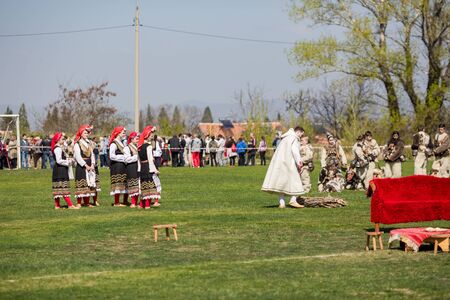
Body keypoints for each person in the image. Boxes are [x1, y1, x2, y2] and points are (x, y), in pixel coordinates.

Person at [262, 126, 305, 208]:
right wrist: (299, 163)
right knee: (295, 181)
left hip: (280, 163)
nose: (301, 136)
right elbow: (295, 151)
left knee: (281, 183)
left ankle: (282, 203)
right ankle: (293, 200)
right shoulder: (294, 138)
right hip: (289, 163)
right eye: (301, 134)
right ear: (299, 131)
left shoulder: (285, 138)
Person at [51, 132, 79, 209]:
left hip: (59, 169)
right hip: (60, 169)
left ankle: (57, 205)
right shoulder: (58, 148)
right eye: (62, 139)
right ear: (58, 140)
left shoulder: (60, 147)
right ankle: (70, 205)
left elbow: (69, 142)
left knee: (58, 187)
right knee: (62, 187)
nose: (64, 140)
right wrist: (68, 162)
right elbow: (59, 160)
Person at [73, 125, 97, 207]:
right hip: (82, 165)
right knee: (82, 183)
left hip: (90, 164)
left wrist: (93, 164)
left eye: (88, 132)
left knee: (89, 183)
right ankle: (79, 202)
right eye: (85, 132)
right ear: (81, 133)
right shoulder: (77, 143)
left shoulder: (89, 143)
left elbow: (92, 154)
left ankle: (87, 202)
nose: (87, 134)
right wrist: (85, 165)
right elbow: (77, 156)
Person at [138, 126, 160, 209]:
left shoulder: (139, 146)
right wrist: (155, 170)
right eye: (151, 134)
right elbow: (150, 160)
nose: (152, 136)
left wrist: (139, 168)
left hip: (142, 167)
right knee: (150, 186)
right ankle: (147, 205)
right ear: (147, 135)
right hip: (147, 167)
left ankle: (141, 205)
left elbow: (139, 160)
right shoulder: (148, 146)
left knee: (143, 185)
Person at [109, 126, 129, 206]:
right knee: (118, 183)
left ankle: (125, 201)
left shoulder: (122, 142)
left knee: (124, 182)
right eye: (123, 132)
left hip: (123, 165)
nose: (124, 134)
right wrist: (122, 157)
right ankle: (116, 202)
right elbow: (111, 156)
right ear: (118, 133)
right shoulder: (114, 143)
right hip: (117, 165)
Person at [124, 131, 140, 208]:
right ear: (132, 139)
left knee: (137, 184)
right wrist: (136, 157)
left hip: (137, 166)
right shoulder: (127, 148)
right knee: (133, 184)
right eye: (136, 138)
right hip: (131, 167)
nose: (138, 140)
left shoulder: (138, 147)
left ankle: (136, 202)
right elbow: (127, 159)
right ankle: (133, 202)